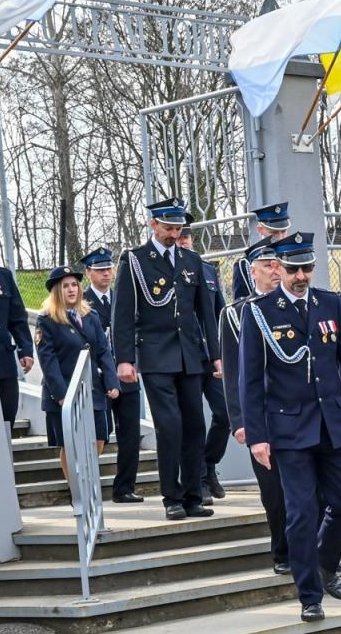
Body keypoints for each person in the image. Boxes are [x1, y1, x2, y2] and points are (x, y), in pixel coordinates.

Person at [239, 231, 341, 621]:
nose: (301, 276)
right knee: (300, 513)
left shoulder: (330, 304)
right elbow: (250, 379)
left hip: (332, 424)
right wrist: (257, 436)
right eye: (293, 269)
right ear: (278, 268)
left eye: (307, 268)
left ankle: (324, 564)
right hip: (287, 430)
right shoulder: (261, 311)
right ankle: (309, 595)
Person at [112, 198, 218, 521]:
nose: (174, 233)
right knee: (169, 426)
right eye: (168, 227)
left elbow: (206, 315)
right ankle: (171, 496)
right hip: (156, 355)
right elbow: (123, 315)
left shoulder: (192, 260)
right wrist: (124, 359)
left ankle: (193, 495)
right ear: (153, 224)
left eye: (178, 228)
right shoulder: (135, 261)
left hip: (189, 356)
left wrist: (216, 356)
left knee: (195, 425)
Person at [221, 236, 291, 575]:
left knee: (309, 489)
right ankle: (282, 551)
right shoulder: (236, 315)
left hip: (298, 412)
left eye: (278, 264)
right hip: (260, 415)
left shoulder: (295, 305)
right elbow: (233, 371)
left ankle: (317, 549)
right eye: (267, 265)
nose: (275, 270)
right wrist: (239, 420)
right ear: (253, 272)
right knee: (274, 491)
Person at [35, 265, 121, 482]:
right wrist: (63, 394)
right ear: (56, 290)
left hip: (92, 389)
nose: (72, 289)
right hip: (64, 392)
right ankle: (76, 489)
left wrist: (112, 382)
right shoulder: (47, 320)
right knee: (69, 443)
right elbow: (48, 361)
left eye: (74, 284)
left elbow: (104, 351)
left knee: (100, 437)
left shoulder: (90, 315)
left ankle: (87, 477)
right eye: (65, 286)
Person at [82, 246, 144, 503]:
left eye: (108, 269)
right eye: (99, 270)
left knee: (130, 433)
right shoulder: (82, 302)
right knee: (97, 434)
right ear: (89, 273)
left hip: (126, 374)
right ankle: (87, 489)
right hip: (97, 378)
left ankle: (124, 487)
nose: (106, 274)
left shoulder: (123, 296)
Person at [178, 221, 230, 500]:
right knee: (194, 419)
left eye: (187, 236)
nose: (184, 241)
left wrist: (221, 353)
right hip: (185, 358)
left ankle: (209, 464)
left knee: (225, 414)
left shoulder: (208, 271)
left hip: (210, 357)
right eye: (179, 237)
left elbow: (219, 314)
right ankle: (197, 478)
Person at [0, 222, 33, 426]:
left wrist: (25, 350)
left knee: (7, 413)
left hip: (4, 361)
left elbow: (17, 318)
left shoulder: (3, 276)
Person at [235, 201, 291, 298]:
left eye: (284, 231)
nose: (281, 237)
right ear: (260, 229)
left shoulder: (295, 254)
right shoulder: (247, 262)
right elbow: (241, 304)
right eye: (274, 232)